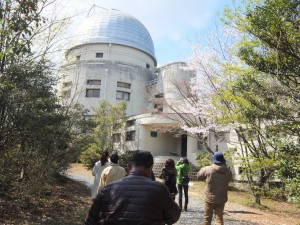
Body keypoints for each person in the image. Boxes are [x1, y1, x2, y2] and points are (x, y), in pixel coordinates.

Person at [85, 150, 181, 225]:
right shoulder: (159, 189)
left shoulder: (107, 189)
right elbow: (174, 217)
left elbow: (90, 220)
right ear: (151, 168)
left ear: (129, 167)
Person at [197, 151, 232, 225]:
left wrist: (203, 168)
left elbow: (199, 176)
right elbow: (229, 180)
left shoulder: (209, 169)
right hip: (222, 197)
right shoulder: (228, 171)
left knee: (207, 219)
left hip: (210, 197)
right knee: (219, 219)